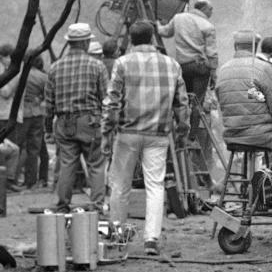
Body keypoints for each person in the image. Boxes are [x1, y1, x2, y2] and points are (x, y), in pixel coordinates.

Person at [102, 21, 189, 256]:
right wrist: (182, 130)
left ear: (130, 39)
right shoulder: (172, 65)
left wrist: (106, 131)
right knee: (155, 185)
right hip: (158, 134)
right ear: (152, 39)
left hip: (128, 133)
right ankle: (151, 238)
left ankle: (118, 235)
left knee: (120, 184)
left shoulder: (122, 63)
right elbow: (181, 103)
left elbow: (112, 101)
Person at [44, 23, 109, 213]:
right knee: (96, 165)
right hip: (90, 121)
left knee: (67, 165)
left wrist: (48, 129)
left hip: (63, 123)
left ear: (70, 43)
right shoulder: (97, 66)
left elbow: (49, 104)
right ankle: (96, 206)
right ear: (85, 42)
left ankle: (62, 205)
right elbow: (106, 98)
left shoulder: (55, 67)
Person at [215, 30, 272, 154]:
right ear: (255, 47)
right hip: (263, 136)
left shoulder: (222, 71)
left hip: (232, 137)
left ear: (235, 46)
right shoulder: (263, 68)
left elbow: (221, 107)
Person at [156, 0, 218, 134]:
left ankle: (180, 129)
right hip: (200, 67)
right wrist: (213, 73)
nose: (212, 12)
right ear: (203, 9)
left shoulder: (178, 18)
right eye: (210, 9)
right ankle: (192, 136)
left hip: (182, 66)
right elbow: (212, 53)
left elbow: (165, 32)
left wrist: (157, 24)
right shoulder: (208, 26)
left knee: (183, 99)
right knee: (197, 102)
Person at [17, 54, 48, 189]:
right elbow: (47, 95)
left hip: (22, 113)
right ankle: (31, 180)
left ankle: (15, 177)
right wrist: (40, 99)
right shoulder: (43, 77)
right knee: (34, 149)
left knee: (18, 146)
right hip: (37, 113)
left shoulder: (20, 75)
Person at [0, 44, 22, 191]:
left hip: (9, 113)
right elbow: (5, 91)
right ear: (4, 57)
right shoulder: (4, 70)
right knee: (8, 148)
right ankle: (6, 180)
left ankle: (8, 179)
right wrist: (16, 77)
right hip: (4, 114)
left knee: (12, 148)